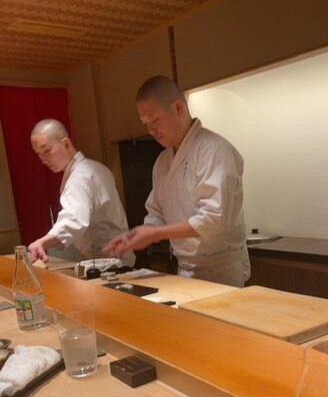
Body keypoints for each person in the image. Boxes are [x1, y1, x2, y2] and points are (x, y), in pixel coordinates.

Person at [103, 75, 250, 287]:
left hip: (221, 272)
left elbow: (213, 219)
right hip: (184, 269)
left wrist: (156, 233)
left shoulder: (214, 150)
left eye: (155, 120)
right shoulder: (163, 161)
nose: (150, 130)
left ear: (178, 107)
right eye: (146, 124)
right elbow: (156, 212)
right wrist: (140, 234)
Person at [28, 119, 135, 267]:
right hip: (115, 256)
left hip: (109, 261)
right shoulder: (95, 167)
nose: (44, 160)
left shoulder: (80, 177)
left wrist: (42, 242)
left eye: (47, 151)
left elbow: (74, 219)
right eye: (39, 154)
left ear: (66, 144)